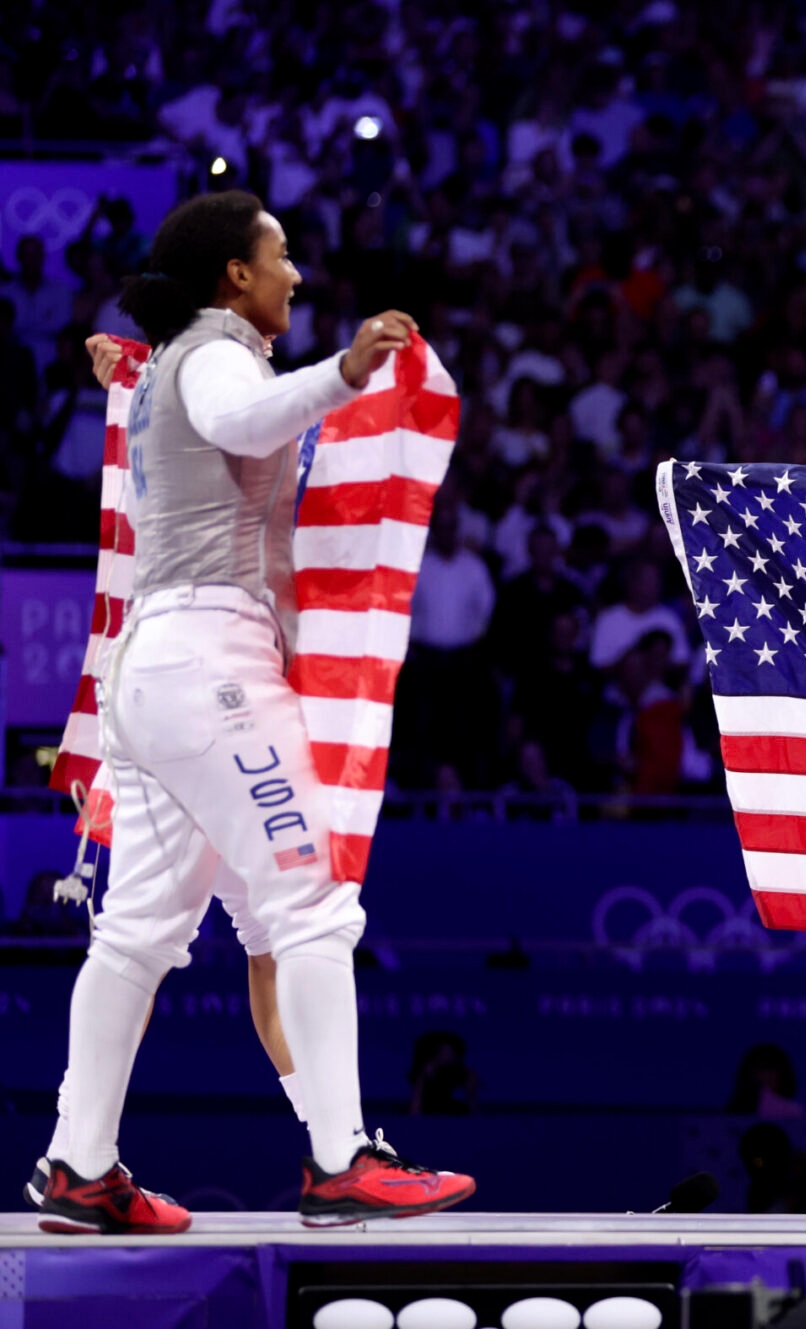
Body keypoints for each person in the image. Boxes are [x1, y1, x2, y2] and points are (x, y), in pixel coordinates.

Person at [32, 191, 474, 1235]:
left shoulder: (183, 360)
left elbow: (222, 432)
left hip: (156, 673)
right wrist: (347, 372)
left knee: (137, 934)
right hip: (210, 670)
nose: (297, 275)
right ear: (235, 273)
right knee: (313, 907)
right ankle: (339, 1161)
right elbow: (238, 419)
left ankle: (79, 1166)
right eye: (280, 256)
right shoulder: (218, 354)